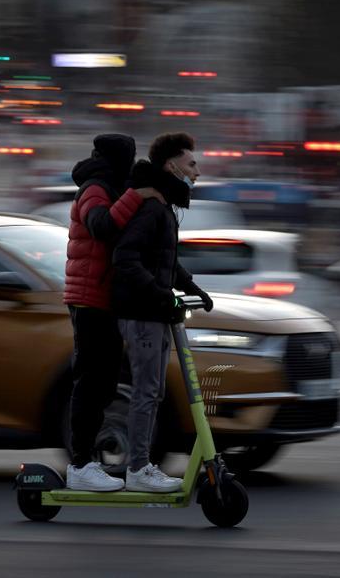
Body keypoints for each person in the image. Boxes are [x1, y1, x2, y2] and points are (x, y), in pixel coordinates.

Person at [112, 132, 214, 493]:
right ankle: (138, 468)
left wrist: (191, 288)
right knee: (146, 390)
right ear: (172, 166)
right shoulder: (153, 208)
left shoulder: (165, 207)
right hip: (142, 314)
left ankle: (142, 465)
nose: (197, 172)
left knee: (152, 392)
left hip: (153, 311)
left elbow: (164, 261)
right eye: (192, 164)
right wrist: (161, 296)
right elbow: (126, 259)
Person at [63, 134, 162, 492]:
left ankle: (87, 460)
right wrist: (137, 196)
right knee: (91, 382)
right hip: (89, 298)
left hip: (105, 299)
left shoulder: (113, 185)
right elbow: (102, 226)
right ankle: (79, 465)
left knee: (104, 383)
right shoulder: (94, 188)